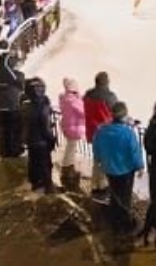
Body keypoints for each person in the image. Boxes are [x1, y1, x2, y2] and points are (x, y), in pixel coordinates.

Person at [92, 101, 144, 235]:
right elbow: (134, 152)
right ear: (124, 115)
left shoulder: (102, 130)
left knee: (115, 192)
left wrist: (99, 160)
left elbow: (96, 147)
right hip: (126, 170)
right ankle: (124, 223)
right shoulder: (127, 133)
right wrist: (139, 166)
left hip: (109, 168)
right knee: (125, 195)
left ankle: (114, 216)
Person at [84, 72, 119, 203]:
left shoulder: (88, 95)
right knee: (106, 160)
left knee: (97, 159)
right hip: (106, 133)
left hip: (92, 131)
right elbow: (116, 112)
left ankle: (95, 186)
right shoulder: (109, 97)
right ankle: (103, 189)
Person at [0, 53, 25, 158]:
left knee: (3, 130)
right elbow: (22, 87)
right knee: (14, 130)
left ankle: (4, 151)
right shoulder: (17, 75)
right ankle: (15, 151)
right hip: (13, 108)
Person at [21, 77, 57, 193]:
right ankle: (49, 187)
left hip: (30, 140)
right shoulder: (43, 107)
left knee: (33, 161)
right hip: (41, 142)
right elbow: (45, 129)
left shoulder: (25, 106)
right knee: (46, 164)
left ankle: (35, 183)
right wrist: (51, 140)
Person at [59, 77, 85, 189]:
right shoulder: (74, 101)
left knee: (70, 147)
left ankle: (68, 166)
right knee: (71, 148)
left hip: (67, 126)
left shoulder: (64, 98)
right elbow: (83, 112)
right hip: (74, 127)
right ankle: (67, 167)